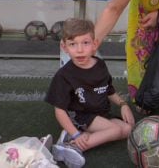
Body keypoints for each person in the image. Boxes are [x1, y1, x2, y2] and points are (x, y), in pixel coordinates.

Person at [45, 18, 134, 168]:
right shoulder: (64, 75)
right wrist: (76, 134)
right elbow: (59, 110)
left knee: (128, 130)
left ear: (95, 44)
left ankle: (69, 138)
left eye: (85, 43)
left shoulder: (100, 65)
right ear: (64, 47)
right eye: (73, 44)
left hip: (101, 114)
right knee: (115, 130)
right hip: (81, 116)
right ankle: (71, 146)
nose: (79, 50)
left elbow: (109, 90)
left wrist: (123, 104)